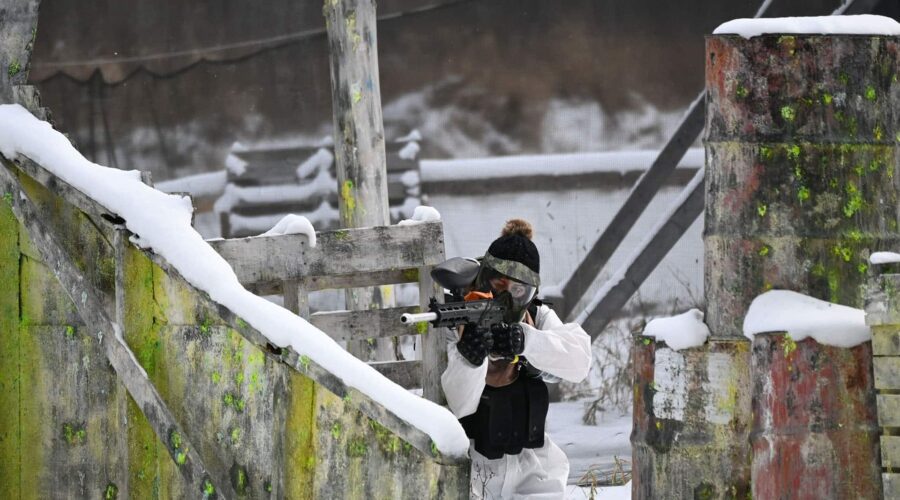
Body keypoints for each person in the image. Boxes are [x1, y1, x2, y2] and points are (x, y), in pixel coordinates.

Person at [441, 219, 592, 499]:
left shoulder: (535, 316)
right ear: (484, 278)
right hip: (469, 470)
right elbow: (456, 405)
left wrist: (526, 341)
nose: (505, 298)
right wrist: (471, 358)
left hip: (532, 469)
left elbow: (580, 361)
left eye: (517, 290)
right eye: (498, 285)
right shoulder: (457, 320)